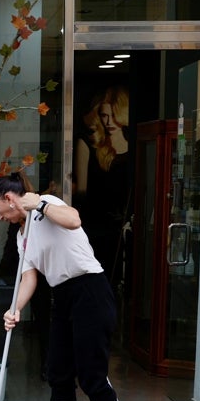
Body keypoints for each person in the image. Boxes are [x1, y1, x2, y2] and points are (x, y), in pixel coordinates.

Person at [0, 173, 128, 401]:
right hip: (62, 296)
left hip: (89, 290)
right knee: (58, 371)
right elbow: (29, 276)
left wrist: (39, 203)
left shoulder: (47, 206)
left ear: (10, 199)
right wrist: (15, 308)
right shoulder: (22, 235)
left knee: (91, 373)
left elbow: (74, 219)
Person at [73, 87, 132, 287]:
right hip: (94, 225)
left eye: (114, 116)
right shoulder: (89, 144)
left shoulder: (134, 148)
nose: (108, 122)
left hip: (123, 225)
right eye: (104, 115)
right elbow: (81, 192)